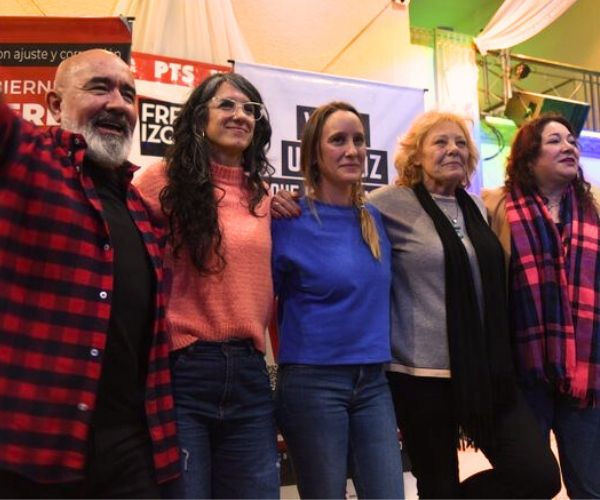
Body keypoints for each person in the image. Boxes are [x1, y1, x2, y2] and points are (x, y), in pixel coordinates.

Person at [272, 110, 561, 499]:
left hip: (484, 374)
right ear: (416, 155)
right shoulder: (387, 204)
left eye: (460, 143)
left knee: (538, 475)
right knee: (432, 483)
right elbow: (338, 209)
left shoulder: (476, 208)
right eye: (440, 142)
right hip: (421, 379)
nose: (452, 150)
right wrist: (286, 200)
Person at [0, 49, 179, 498]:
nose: (118, 103)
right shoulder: (24, 159)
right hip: (30, 450)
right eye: (100, 87)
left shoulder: (141, 208)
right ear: (55, 105)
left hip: (134, 450)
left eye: (128, 93)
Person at [133, 72, 279, 499]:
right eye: (227, 105)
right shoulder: (161, 182)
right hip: (184, 371)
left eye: (249, 109)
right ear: (199, 119)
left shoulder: (264, 196)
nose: (240, 116)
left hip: (251, 374)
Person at [272, 101, 404, 499]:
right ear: (313, 153)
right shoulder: (287, 219)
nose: (352, 150)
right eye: (338, 140)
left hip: (373, 382)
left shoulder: (375, 219)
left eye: (359, 140)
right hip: (313, 383)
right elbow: (261, 302)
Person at [483, 113, 600, 499]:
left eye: (570, 140)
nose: (568, 146)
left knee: (591, 485)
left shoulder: (594, 208)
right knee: (531, 483)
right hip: (523, 370)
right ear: (529, 156)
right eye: (554, 141)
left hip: (586, 372)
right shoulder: (495, 206)